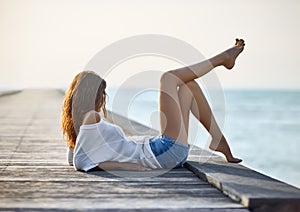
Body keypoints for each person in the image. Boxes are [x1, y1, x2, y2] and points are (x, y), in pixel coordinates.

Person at [62, 39, 245, 171]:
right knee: (168, 78)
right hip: (162, 154)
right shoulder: (90, 118)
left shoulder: (81, 127)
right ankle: (221, 59)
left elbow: (75, 158)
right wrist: (123, 166)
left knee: (189, 87)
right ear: (90, 95)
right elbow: (80, 162)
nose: (104, 98)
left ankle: (219, 141)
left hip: (161, 152)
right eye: (102, 93)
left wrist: (120, 164)